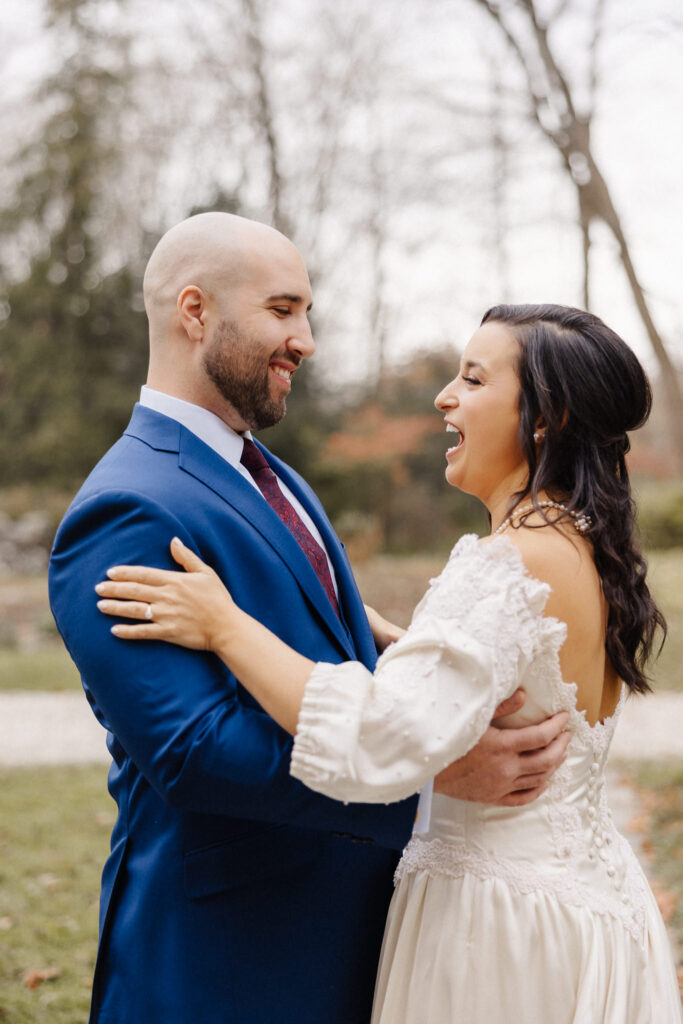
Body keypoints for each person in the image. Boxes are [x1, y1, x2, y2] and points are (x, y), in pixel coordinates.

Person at [48, 214, 569, 1024]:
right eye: (283, 309)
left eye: (308, 313)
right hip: (227, 956)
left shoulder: (278, 478)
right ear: (195, 312)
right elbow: (192, 752)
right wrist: (428, 778)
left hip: (350, 928)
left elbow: (332, 652)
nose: (307, 339)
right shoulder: (126, 507)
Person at [97, 303, 682, 1022]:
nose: (444, 397)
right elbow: (514, 673)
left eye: (472, 379)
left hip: (497, 929)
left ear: (544, 418)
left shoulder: (511, 559)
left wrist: (224, 625)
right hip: (585, 903)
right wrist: (390, 635)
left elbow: (378, 736)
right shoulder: (575, 543)